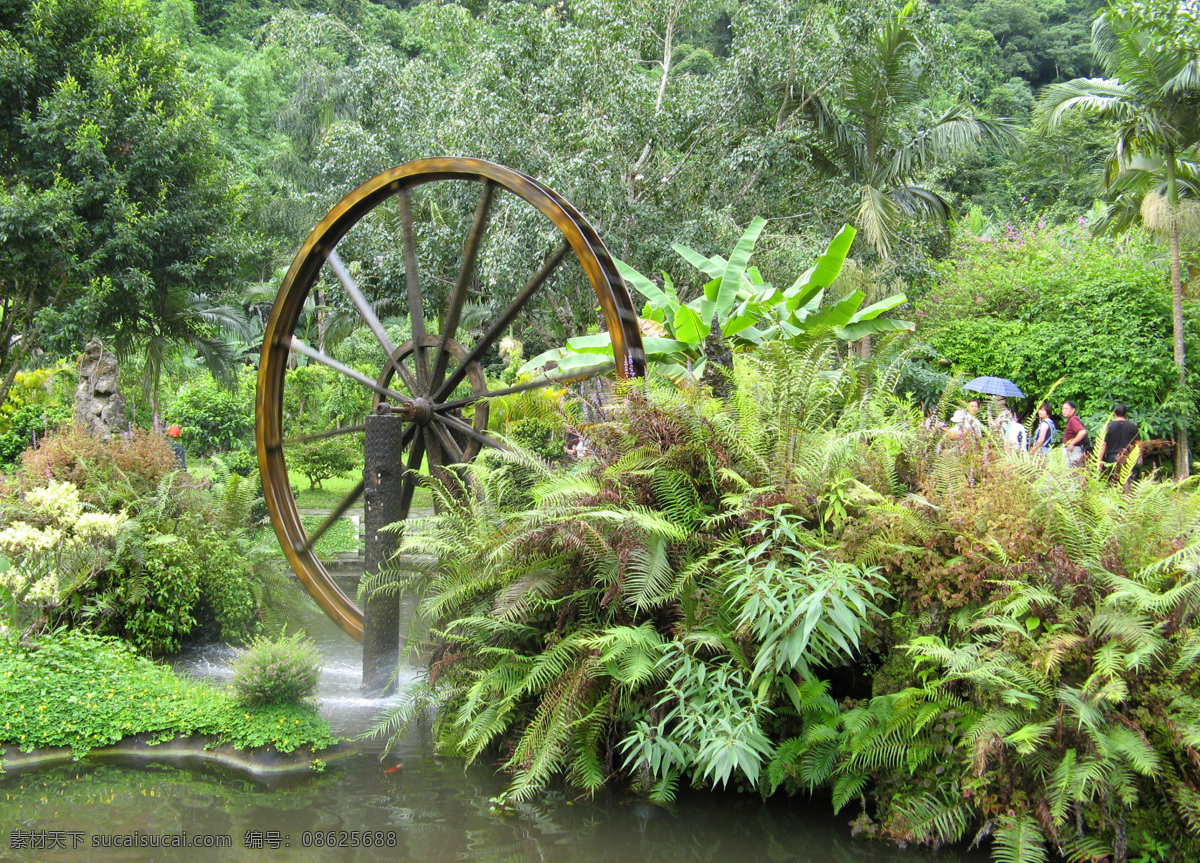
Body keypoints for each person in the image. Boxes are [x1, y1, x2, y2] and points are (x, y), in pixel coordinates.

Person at [1097, 403, 1140, 489]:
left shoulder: (1109, 426)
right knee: (1128, 481)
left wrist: (1099, 460)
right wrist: (1140, 458)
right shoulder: (1132, 426)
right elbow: (1139, 444)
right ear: (1126, 413)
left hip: (1113, 457)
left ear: (1114, 414)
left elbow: (1103, 445)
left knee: (1113, 482)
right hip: (1129, 457)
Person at [1062, 401, 1089, 466]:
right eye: (1063, 409)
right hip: (1073, 450)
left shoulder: (1073, 419)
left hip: (1074, 450)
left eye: (1066, 409)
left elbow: (1082, 432)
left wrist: (1071, 443)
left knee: (1071, 473)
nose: (1064, 411)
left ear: (1073, 410)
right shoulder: (1071, 420)